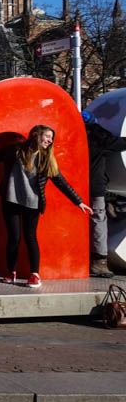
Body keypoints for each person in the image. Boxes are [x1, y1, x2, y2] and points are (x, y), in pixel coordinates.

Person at [0, 125, 93, 289]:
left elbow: (61, 182)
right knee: (14, 238)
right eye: (47, 136)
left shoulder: (46, 158)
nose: (50, 141)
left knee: (30, 237)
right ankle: (11, 272)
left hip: (33, 203)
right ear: (36, 134)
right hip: (11, 200)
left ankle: (34, 274)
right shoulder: (15, 150)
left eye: (51, 138)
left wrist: (78, 202)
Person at [83, 110, 126, 277]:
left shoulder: (70, 136)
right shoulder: (98, 137)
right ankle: (99, 262)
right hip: (95, 186)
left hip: (73, 187)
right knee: (98, 220)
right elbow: (119, 143)